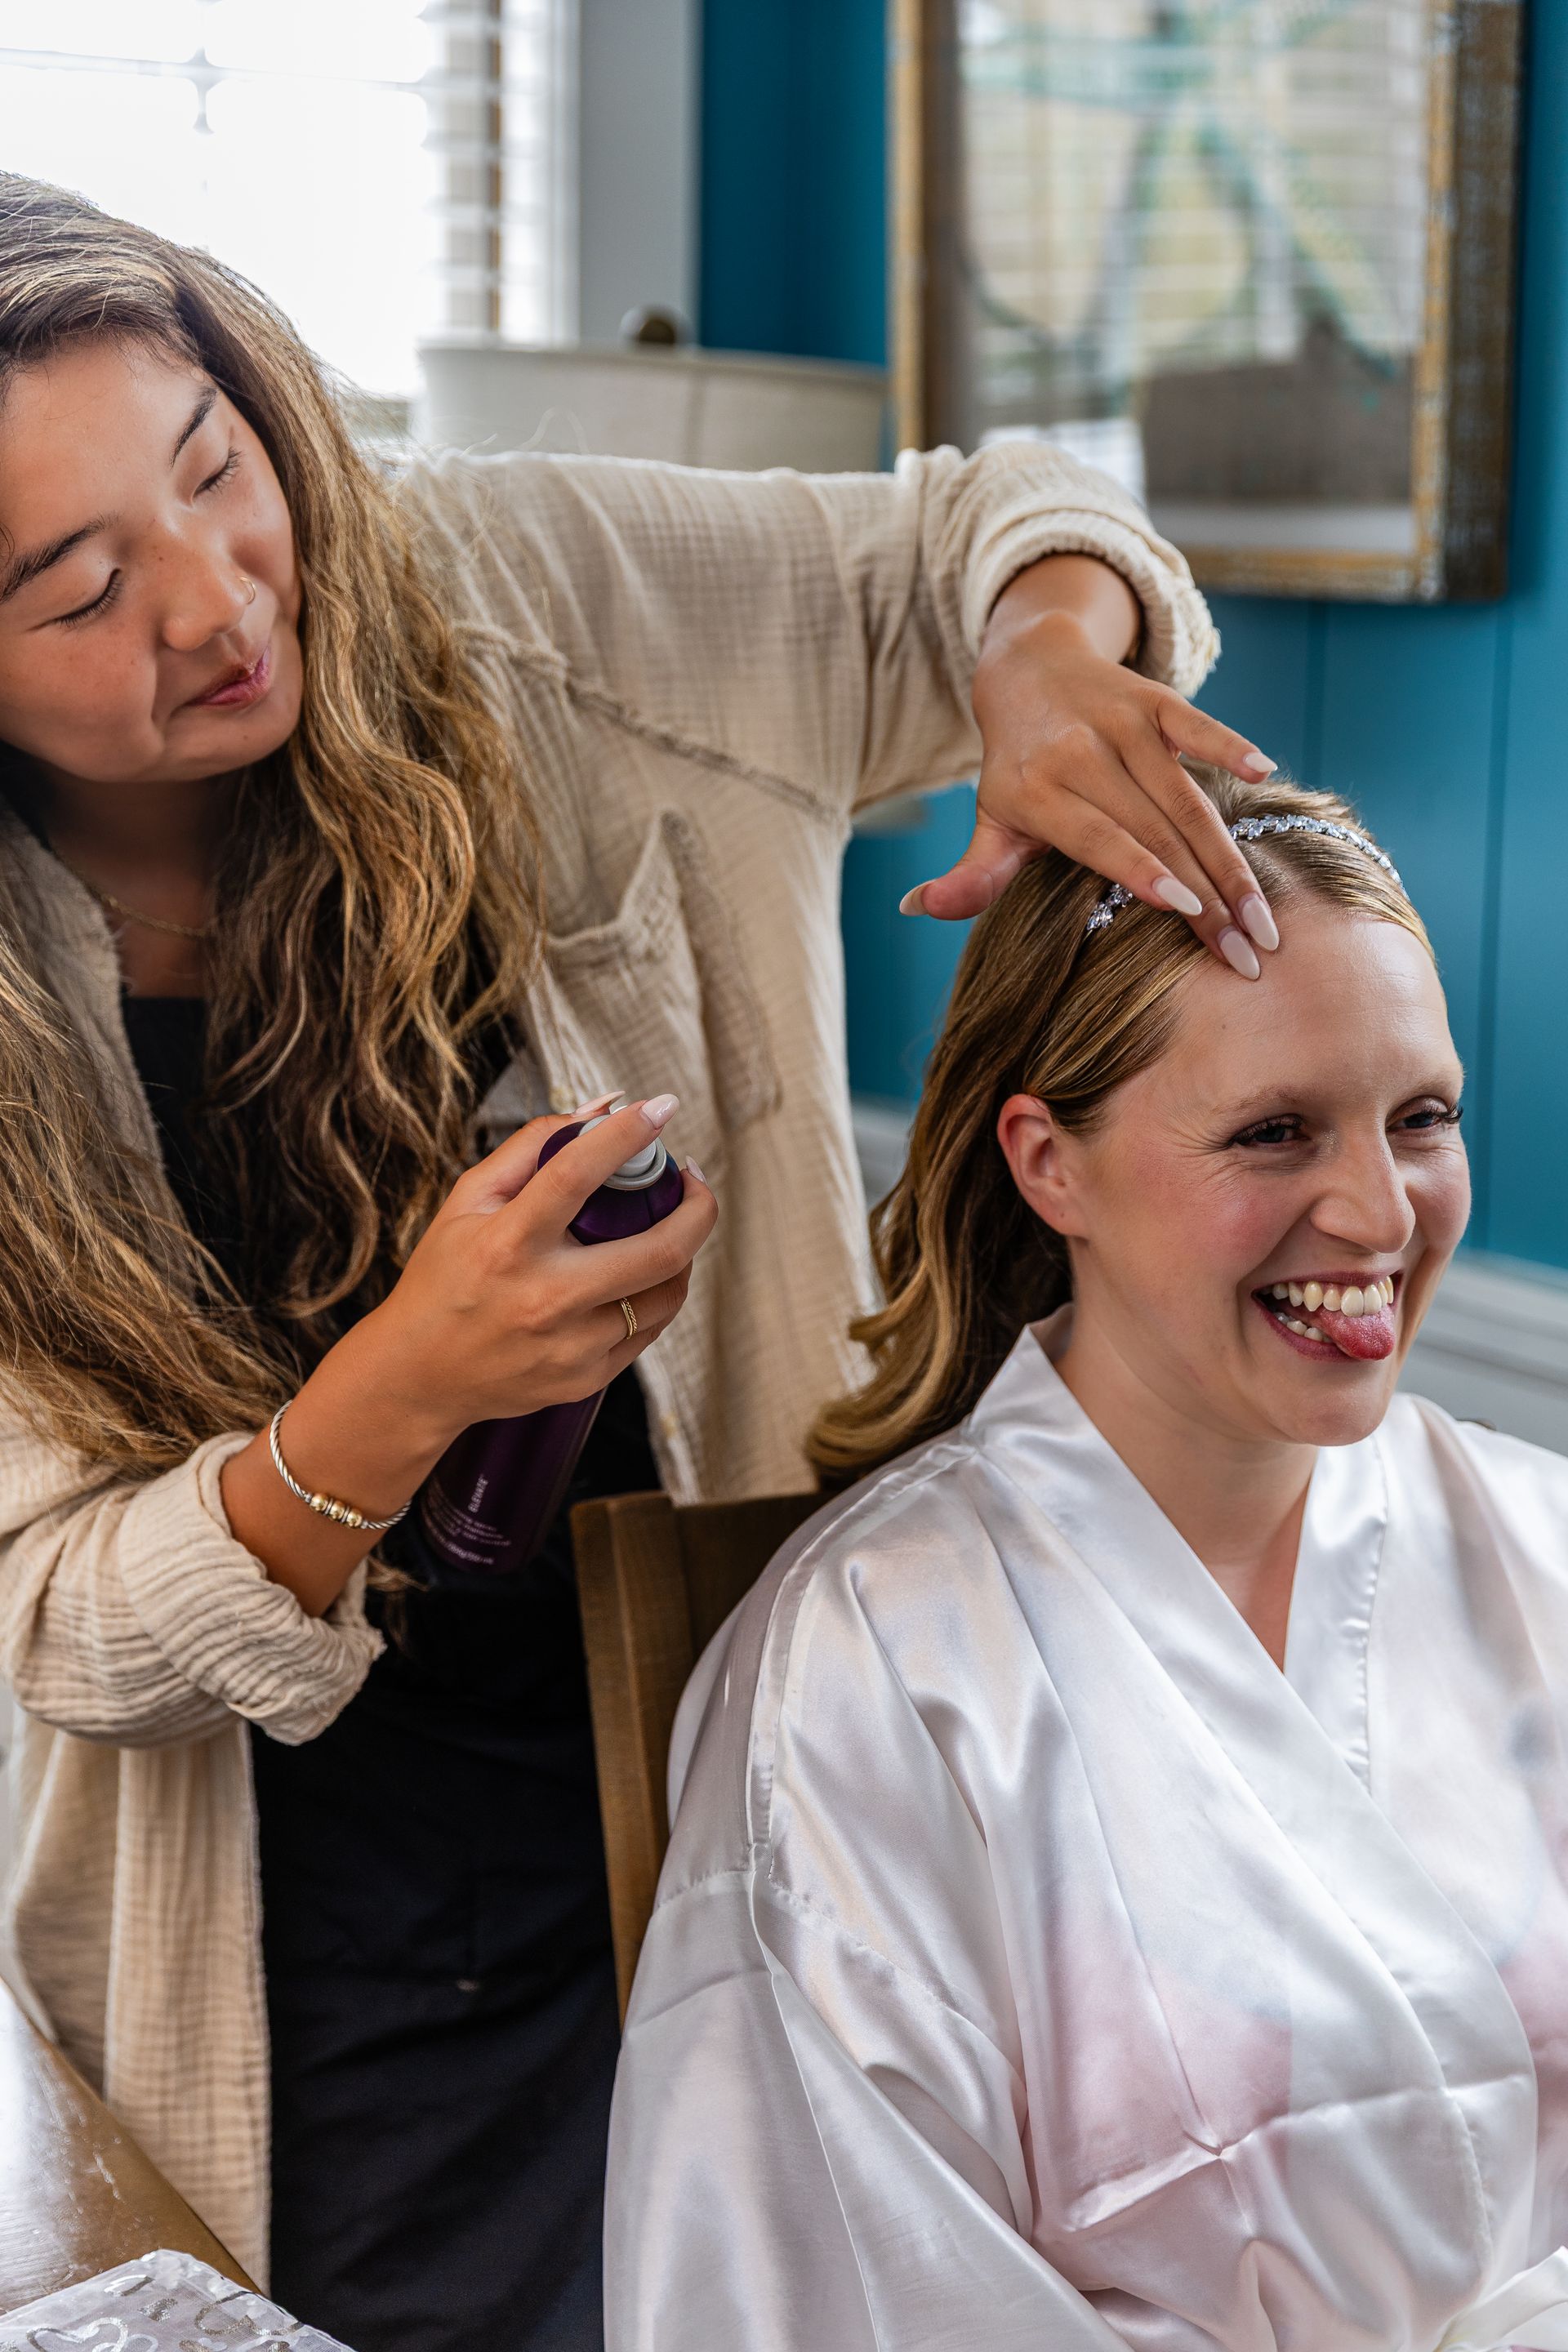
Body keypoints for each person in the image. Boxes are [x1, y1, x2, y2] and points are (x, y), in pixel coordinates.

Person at [0, 173, 1266, 2351]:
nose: (216, 603)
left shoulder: (528, 596)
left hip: (741, 1821)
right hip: (295, 1953)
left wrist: (1046, 657)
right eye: (77, 589)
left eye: (219, 472)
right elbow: (62, 1630)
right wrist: (404, 1385)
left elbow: (986, 519)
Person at [607, 766, 1568, 2352]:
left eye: (1423, 1118)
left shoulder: (1540, 1551)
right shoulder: (874, 1679)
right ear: (1049, 1162)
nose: (1380, 1210)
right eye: (1275, 1132)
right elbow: (818, 2289)